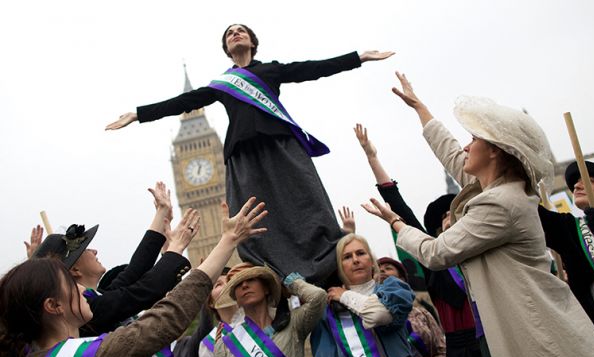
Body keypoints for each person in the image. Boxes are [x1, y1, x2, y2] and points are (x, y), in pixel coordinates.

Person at [363, 72, 594, 357]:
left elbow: (436, 252)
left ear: (496, 152)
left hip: (533, 325)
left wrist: (395, 222)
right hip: (515, 323)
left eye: (473, 139)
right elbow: (455, 156)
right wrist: (421, 110)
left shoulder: (499, 202)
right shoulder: (497, 190)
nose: (466, 145)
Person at [105, 23, 393, 285]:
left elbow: (311, 69)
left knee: (308, 204)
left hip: (281, 148)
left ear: (252, 42)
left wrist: (358, 58)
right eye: (229, 33)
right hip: (243, 158)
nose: (235, 34)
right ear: (227, 49)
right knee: (255, 223)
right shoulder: (221, 85)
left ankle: (327, 269)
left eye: (240, 31)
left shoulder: (270, 70)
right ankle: (276, 281)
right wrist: (137, 115)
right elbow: (184, 101)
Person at [0, 197, 267, 357]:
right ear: (53, 306)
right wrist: (228, 241)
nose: (82, 290)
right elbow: (166, 317)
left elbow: (136, 278)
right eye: (70, 284)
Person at [354, 123, 494, 357]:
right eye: (443, 216)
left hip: (499, 344)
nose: (448, 217)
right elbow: (401, 210)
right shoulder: (436, 263)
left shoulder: (487, 254)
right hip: (463, 356)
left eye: (454, 212)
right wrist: (372, 157)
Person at [32, 182, 194, 336]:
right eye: (87, 249)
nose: (94, 251)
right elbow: (141, 292)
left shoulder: (98, 297)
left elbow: (135, 270)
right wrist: (175, 248)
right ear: (75, 270)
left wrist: (161, 212)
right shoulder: (87, 309)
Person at [311, 233, 442, 357]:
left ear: (372, 260)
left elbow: (378, 315)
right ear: (340, 267)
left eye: (361, 253)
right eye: (347, 257)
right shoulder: (327, 310)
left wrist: (344, 295)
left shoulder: (394, 288)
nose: (356, 260)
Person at [213, 264, 327, 357]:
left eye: (251, 279)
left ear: (266, 288)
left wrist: (290, 283)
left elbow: (318, 297)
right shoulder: (225, 345)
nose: (245, 285)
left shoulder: (293, 325)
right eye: (238, 284)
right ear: (236, 299)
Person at [538, 160, 594, 357]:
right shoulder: (573, 230)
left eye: (589, 181)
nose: (577, 185)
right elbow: (528, 212)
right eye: (574, 183)